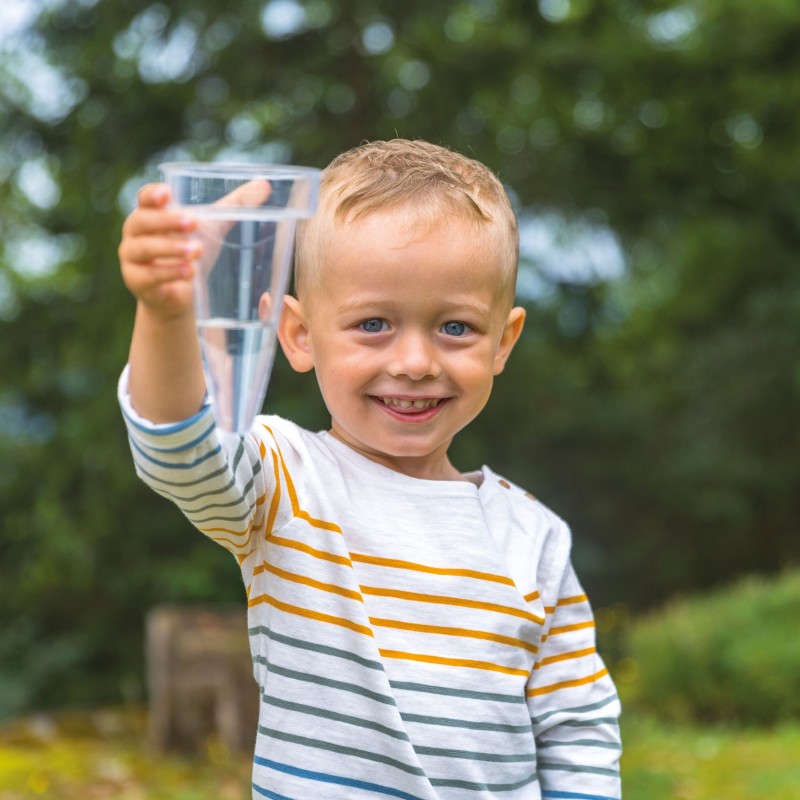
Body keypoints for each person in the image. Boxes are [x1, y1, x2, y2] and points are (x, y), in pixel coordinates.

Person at [118, 138, 622, 800]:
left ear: (505, 340)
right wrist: (166, 311)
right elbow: (179, 450)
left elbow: (577, 731)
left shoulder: (535, 539)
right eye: (374, 323)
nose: (415, 361)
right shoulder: (285, 479)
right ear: (298, 334)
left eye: (456, 329)